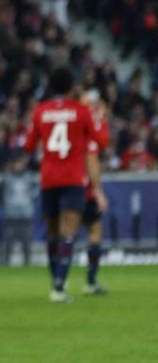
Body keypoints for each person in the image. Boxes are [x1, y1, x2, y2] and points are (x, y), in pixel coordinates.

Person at [23, 67, 105, 303]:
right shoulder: (81, 111)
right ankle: (59, 287)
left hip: (48, 177)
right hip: (72, 178)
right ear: (71, 87)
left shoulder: (40, 111)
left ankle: (56, 281)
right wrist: (98, 116)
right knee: (68, 233)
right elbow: (100, 140)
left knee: (51, 233)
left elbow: (28, 146)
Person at [80, 90, 111, 295]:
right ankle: (90, 282)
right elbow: (94, 157)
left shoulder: (72, 125)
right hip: (83, 189)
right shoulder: (89, 131)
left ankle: (58, 283)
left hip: (61, 184)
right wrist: (98, 191)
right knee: (94, 231)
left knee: (63, 233)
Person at [0, 157, 36, 267]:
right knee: (8, 243)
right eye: (16, 163)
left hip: (26, 215)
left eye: (20, 163)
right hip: (10, 215)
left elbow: (35, 195)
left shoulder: (30, 177)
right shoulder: (6, 178)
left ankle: (27, 264)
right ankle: (5, 264)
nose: (18, 166)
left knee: (26, 243)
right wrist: (7, 207)